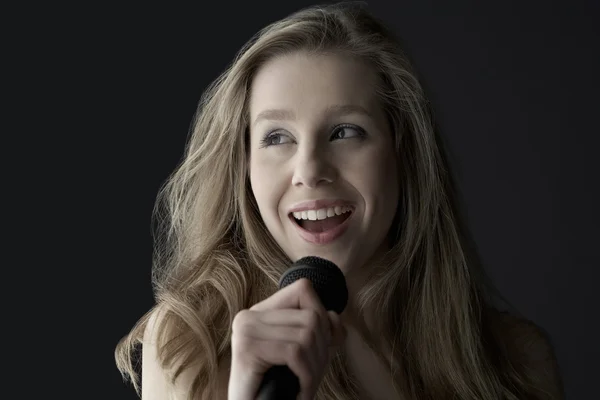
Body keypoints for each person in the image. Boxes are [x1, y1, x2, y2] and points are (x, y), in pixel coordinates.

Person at [115, 2, 564, 399]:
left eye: (345, 132)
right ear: (243, 166)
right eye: (277, 137)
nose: (309, 170)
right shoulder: (189, 345)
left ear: (402, 153)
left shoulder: (517, 360)